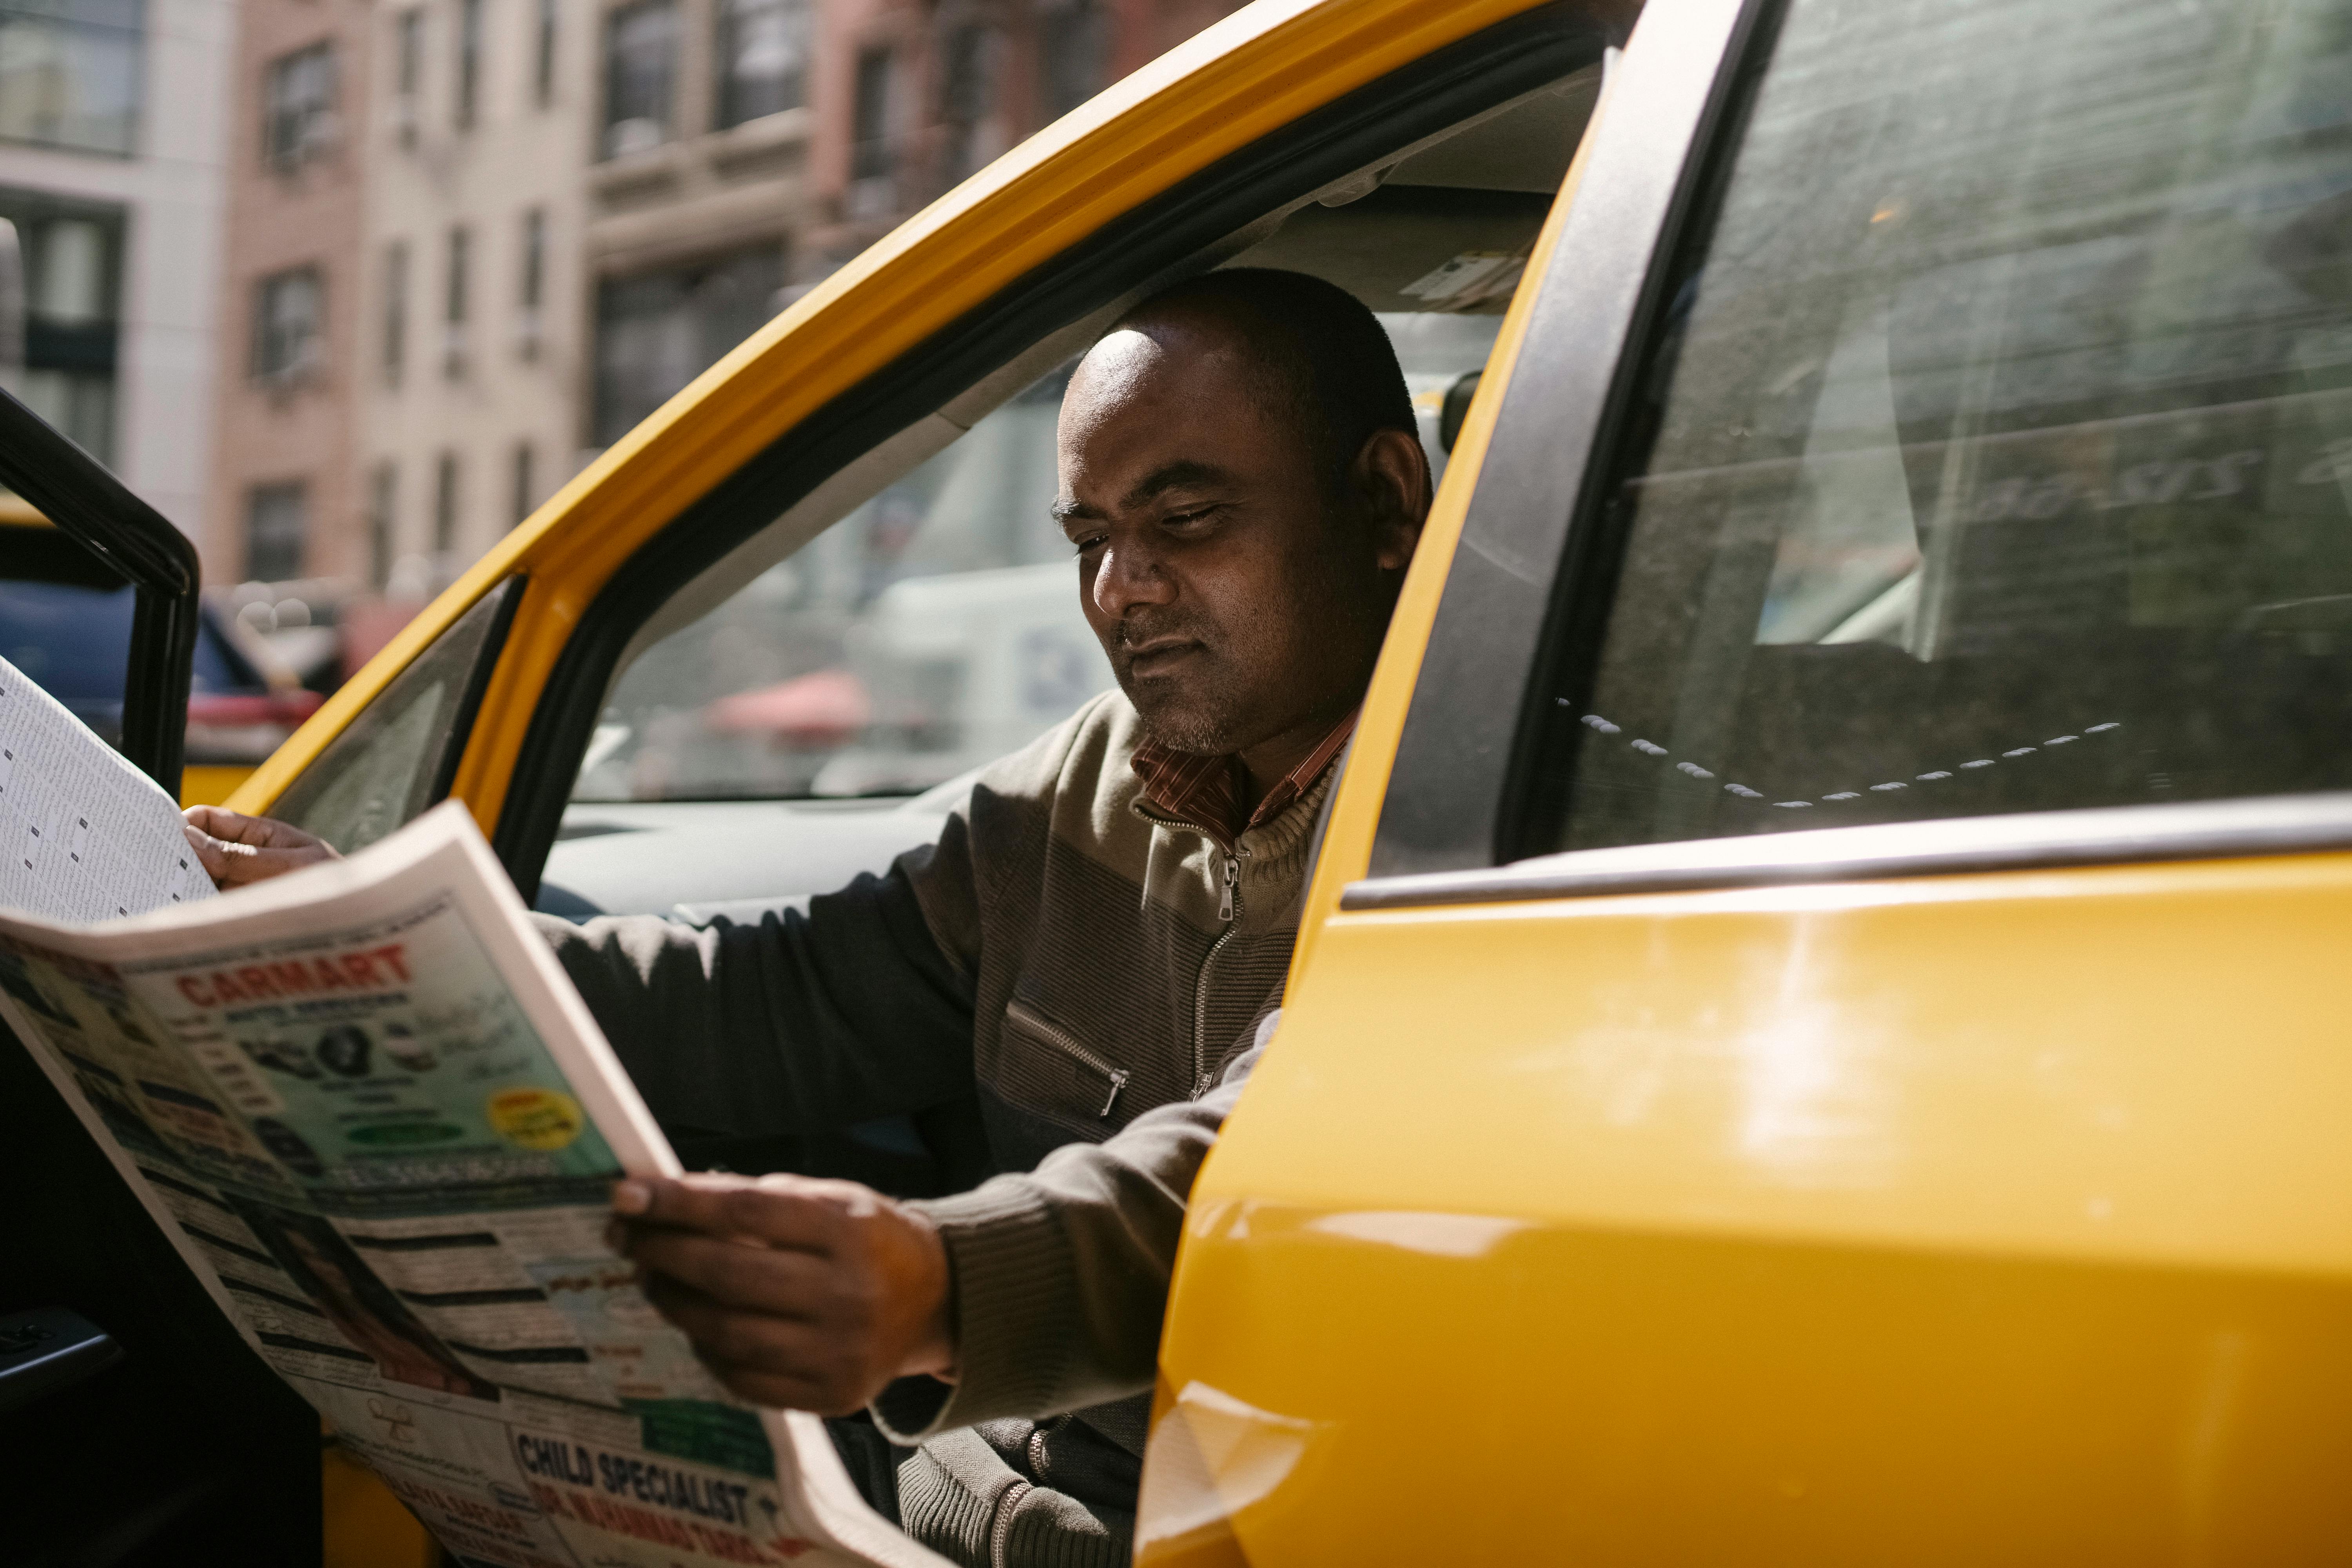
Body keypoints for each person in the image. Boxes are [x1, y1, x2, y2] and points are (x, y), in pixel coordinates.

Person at [183, 267, 1432, 1567]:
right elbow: (783, 994)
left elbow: (1267, 1176)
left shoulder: (1502, 805)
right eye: (1088, 540)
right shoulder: (1079, 790)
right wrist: (385, 942)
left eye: (1184, 518)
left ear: (1385, 502)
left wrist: (935, 1291)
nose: (1122, 587)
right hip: (957, 1492)